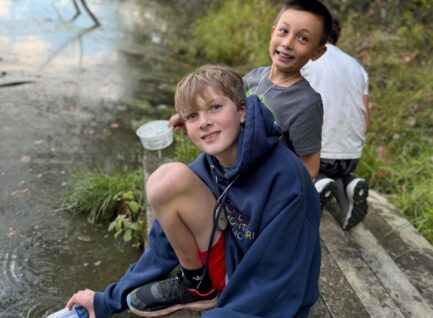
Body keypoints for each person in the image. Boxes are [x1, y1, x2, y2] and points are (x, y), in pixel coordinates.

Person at [66, 64, 321, 318]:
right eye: (192, 116)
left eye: (215, 107)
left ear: (242, 111)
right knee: (166, 179)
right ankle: (198, 285)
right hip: (232, 265)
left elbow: (277, 281)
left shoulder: (286, 181)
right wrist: (107, 301)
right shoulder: (211, 162)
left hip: (272, 297)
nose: (205, 123)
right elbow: (162, 243)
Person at [170, 0, 333, 181]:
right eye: (284, 31)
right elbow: (222, 104)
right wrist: (187, 116)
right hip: (231, 167)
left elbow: (309, 168)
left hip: (260, 182)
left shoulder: (306, 104)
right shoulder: (255, 76)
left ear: (317, 52)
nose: (287, 43)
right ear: (273, 33)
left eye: (303, 38)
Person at [301, 17, 370, 230]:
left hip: (317, 156)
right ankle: (349, 183)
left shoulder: (305, 59)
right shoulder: (358, 68)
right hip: (350, 156)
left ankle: (317, 182)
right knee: (335, 166)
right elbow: (366, 123)